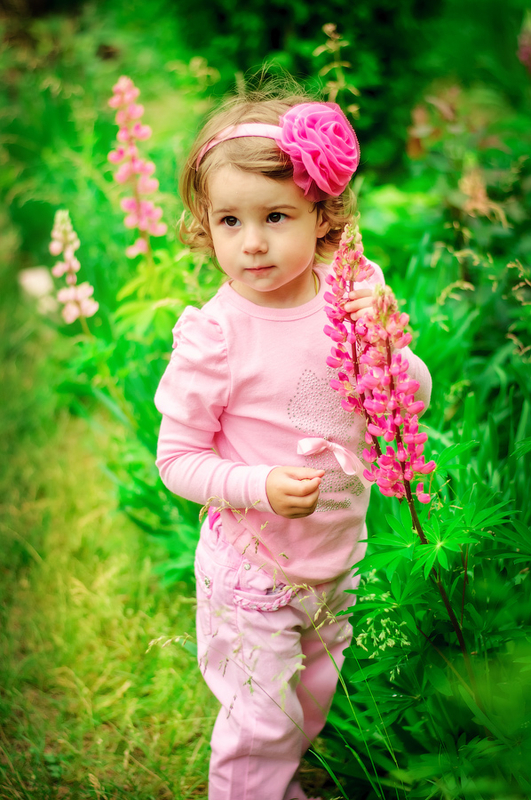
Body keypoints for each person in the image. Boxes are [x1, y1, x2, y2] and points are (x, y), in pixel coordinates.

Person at [155, 84, 432, 800]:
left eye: (275, 216)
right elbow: (176, 460)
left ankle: (275, 783)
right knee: (261, 723)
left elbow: (411, 397)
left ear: (321, 215)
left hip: (336, 554)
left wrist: (387, 341)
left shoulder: (350, 291)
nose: (251, 242)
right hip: (253, 570)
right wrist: (259, 486)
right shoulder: (216, 335)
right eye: (229, 220)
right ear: (204, 225)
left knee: (309, 702)